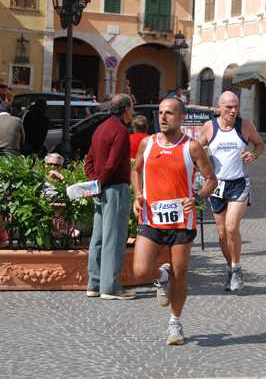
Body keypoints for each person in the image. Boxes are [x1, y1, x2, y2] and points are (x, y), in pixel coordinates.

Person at [131, 97, 217, 345]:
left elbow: (211, 180)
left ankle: (175, 323)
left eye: (169, 113)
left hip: (181, 221)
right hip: (150, 218)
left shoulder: (191, 148)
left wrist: (197, 198)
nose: (163, 117)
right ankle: (162, 277)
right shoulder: (147, 143)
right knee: (140, 271)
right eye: (160, 113)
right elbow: (136, 170)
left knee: (180, 274)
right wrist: (138, 194)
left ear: (181, 118)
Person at [199, 91, 265, 292]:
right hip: (217, 185)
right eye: (229, 107)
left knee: (231, 227)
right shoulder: (209, 127)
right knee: (221, 233)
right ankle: (232, 268)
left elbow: (260, 144)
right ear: (219, 107)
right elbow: (197, 149)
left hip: (239, 183)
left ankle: (235, 270)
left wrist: (254, 154)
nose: (233, 111)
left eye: (236, 106)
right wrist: (203, 155)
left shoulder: (245, 125)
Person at [84, 94, 136, 300]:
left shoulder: (100, 128)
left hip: (101, 188)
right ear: (125, 109)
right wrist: (100, 183)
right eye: (132, 107)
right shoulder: (121, 130)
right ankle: (110, 286)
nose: (133, 111)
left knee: (98, 238)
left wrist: (95, 182)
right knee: (114, 238)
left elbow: (89, 160)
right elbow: (112, 164)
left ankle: (94, 284)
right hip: (115, 188)